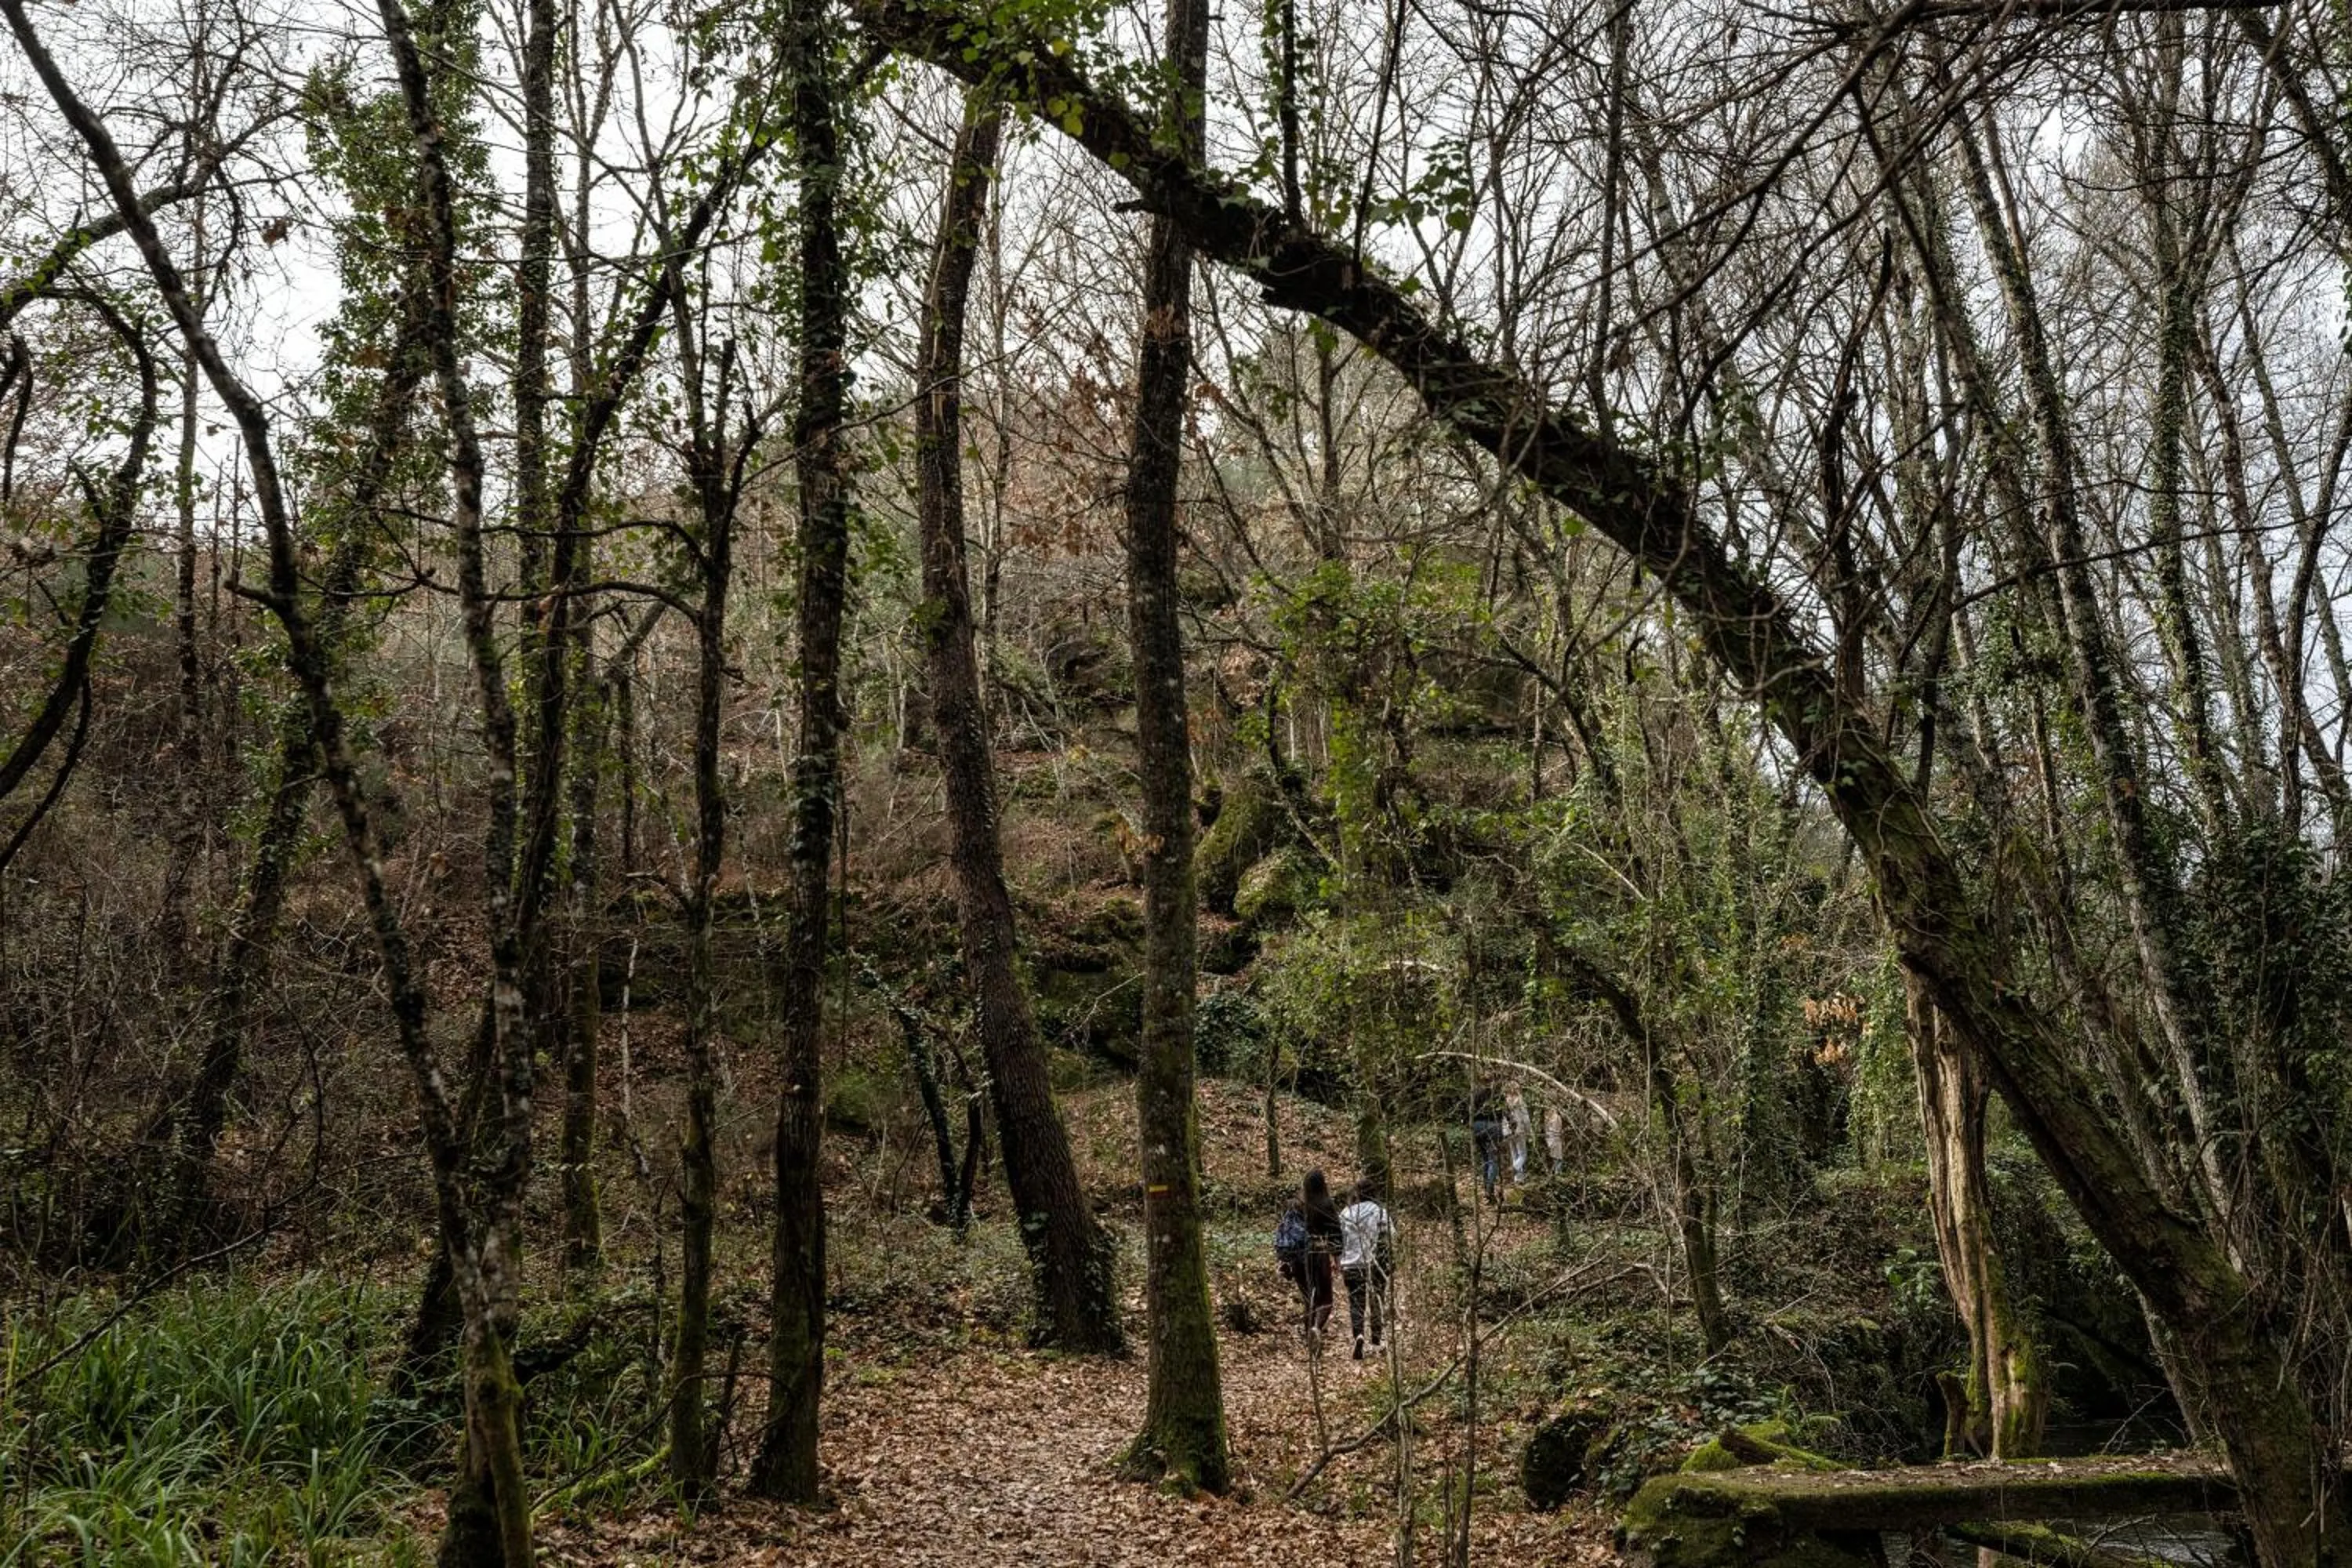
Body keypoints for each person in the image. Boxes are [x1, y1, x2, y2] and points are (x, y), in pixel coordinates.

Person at [1338, 1177, 1395, 1360]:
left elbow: (1340, 1239)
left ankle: (1359, 1335)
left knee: (1356, 1301)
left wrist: (1340, 1260)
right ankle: (1377, 1340)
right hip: (1375, 1263)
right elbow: (1392, 1236)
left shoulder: (1346, 1213)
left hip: (1351, 1264)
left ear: (1357, 1194)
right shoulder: (1380, 1213)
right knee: (1377, 1298)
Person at [1297, 1169, 1344, 1343]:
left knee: (1309, 1296)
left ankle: (1307, 1333)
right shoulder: (1326, 1204)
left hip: (1302, 1254)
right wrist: (1337, 1257)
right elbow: (1335, 1231)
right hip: (1320, 1252)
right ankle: (1316, 1328)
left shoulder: (1301, 1204)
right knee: (1326, 1297)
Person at [1468, 1082, 1503, 1205]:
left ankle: (1487, 1191)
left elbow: (1468, 1111)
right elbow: (1503, 1112)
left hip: (1476, 1127)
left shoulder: (1475, 1093)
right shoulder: (1496, 1095)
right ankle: (1489, 1190)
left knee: (1486, 1159)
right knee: (1494, 1160)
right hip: (1491, 1128)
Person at [1505, 1080, 1533, 1185]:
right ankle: (1514, 1168)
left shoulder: (1505, 1102)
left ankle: (1518, 1179)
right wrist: (1529, 1131)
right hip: (1519, 1129)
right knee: (1523, 1155)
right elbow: (1526, 1118)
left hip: (1508, 1131)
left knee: (1515, 1155)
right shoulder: (1520, 1101)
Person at [1544, 1101, 1566, 1177]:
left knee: (1555, 1157)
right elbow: (1560, 1128)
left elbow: (1546, 1129)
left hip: (1549, 1139)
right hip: (1556, 1138)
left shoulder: (1547, 1118)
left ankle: (1555, 1173)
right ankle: (1557, 1173)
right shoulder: (1557, 1117)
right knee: (1559, 1158)